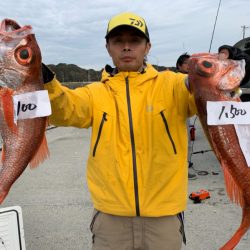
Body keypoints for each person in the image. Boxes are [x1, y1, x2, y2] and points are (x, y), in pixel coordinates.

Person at [42, 12, 250, 250]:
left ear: (147, 46)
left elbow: (206, 86)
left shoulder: (172, 84)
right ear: (108, 47)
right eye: (118, 41)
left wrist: (234, 58)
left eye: (135, 40)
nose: (127, 47)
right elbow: (64, 109)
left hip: (164, 217)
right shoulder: (94, 93)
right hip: (110, 218)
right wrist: (46, 81)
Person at [176, 53, 197, 180]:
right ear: (179, 66)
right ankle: (182, 171)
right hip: (178, 116)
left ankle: (185, 166)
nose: (190, 66)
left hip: (187, 114)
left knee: (187, 142)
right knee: (183, 143)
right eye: (186, 63)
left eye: (191, 64)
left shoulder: (192, 78)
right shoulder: (177, 79)